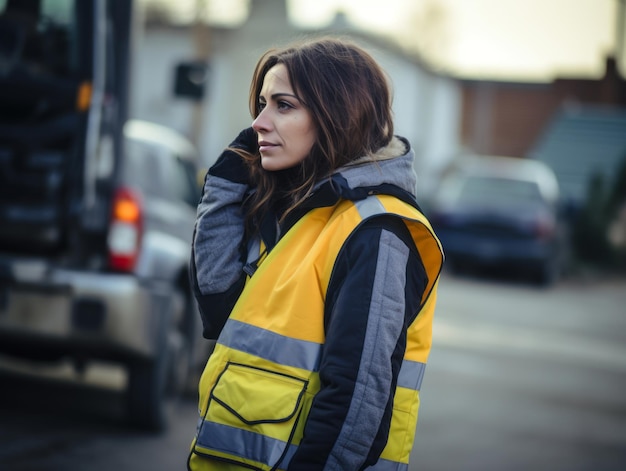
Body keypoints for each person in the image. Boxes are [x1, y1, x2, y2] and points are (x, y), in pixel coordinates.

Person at [187, 36, 444, 471]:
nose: (258, 124)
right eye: (262, 104)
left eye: (283, 106)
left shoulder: (377, 229)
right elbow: (218, 310)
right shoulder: (293, 213)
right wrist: (224, 187)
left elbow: (355, 407)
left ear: (337, 116)